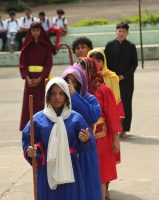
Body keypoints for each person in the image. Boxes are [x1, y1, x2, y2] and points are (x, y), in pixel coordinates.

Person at [22, 77, 96, 200]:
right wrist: (33, 151)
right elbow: (29, 142)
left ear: (67, 95)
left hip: (70, 166)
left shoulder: (76, 118)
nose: (57, 97)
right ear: (47, 96)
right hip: (46, 169)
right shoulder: (37, 119)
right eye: (53, 93)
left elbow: (87, 146)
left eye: (61, 93)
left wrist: (85, 140)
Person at [78, 57, 122, 200]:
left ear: (91, 69)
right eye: (78, 68)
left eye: (83, 68)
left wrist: (116, 140)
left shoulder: (104, 90)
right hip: (81, 139)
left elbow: (112, 116)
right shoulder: (76, 90)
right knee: (83, 176)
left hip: (100, 138)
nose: (80, 71)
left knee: (100, 177)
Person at [62, 66, 102, 200]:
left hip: (86, 145)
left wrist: (75, 97)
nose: (71, 85)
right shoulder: (59, 100)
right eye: (68, 81)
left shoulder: (89, 98)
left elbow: (92, 117)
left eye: (75, 81)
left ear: (81, 82)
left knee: (88, 180)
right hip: (67, 147)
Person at [19, 22, 56, 131]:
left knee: (42, 102)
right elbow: (22, 63)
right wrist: (27, 78)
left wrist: (40, 78)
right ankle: (29, 128)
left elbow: (48, 64)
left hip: (42, 79)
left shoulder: (46, 46)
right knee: (29, 105)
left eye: (38, 30)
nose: (35, 33)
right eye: (33, 30)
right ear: (30, 31)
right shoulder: (26, 46)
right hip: (30, 80)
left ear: (41, 31)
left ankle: (43, 127)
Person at [104, 22, 138, 138]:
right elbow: (105, 62)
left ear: (127, 33)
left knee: (126, 104)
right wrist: (112, 75)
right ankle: (113, 128)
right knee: (112, 104)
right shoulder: (109, 45)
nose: (121, 33)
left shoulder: (131, 46)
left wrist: (124, 75)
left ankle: (124, 129)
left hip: (126, 81)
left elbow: (134, 64)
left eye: (124, 31)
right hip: (111, 80)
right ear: (116, 31)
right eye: (120, 31)